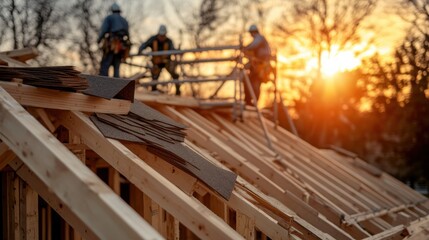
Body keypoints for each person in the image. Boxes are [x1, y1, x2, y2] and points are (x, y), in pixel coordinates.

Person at [138, 25, 181, 95]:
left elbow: (173, 50)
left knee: (175, 75)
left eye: (163, 35)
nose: (161, 37)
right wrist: (140, 49)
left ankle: (178, 92)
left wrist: (177, 52)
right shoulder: (153, 39)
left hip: (166, 61)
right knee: (155, 77)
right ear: (158, 34)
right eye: (160, 35)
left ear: (165, 34)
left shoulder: (169, 41)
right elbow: (145, 44)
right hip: (156, 62)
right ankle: (153, 91)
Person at [97, 3, 131, 78]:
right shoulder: (124, 20)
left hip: (112, 45)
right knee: (116, 66)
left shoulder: (109, 18)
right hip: (121, 46)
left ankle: (103, 83)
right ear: (119, 11)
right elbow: (128, 35)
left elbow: (104, 30)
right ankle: (117, 86)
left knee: (105, 65)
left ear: (112, 10)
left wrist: (99, 39)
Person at [242, 24, 272, 106]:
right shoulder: (259, 40)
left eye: (252, 33)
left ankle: (252, 101)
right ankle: (248, 101)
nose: (251, 35)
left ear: (254, 32)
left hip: (261, 66)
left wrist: (244, 48)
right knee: (250, 81)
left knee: (255, 82)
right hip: (258, 66)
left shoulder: (259, 38)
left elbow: (253, 45)